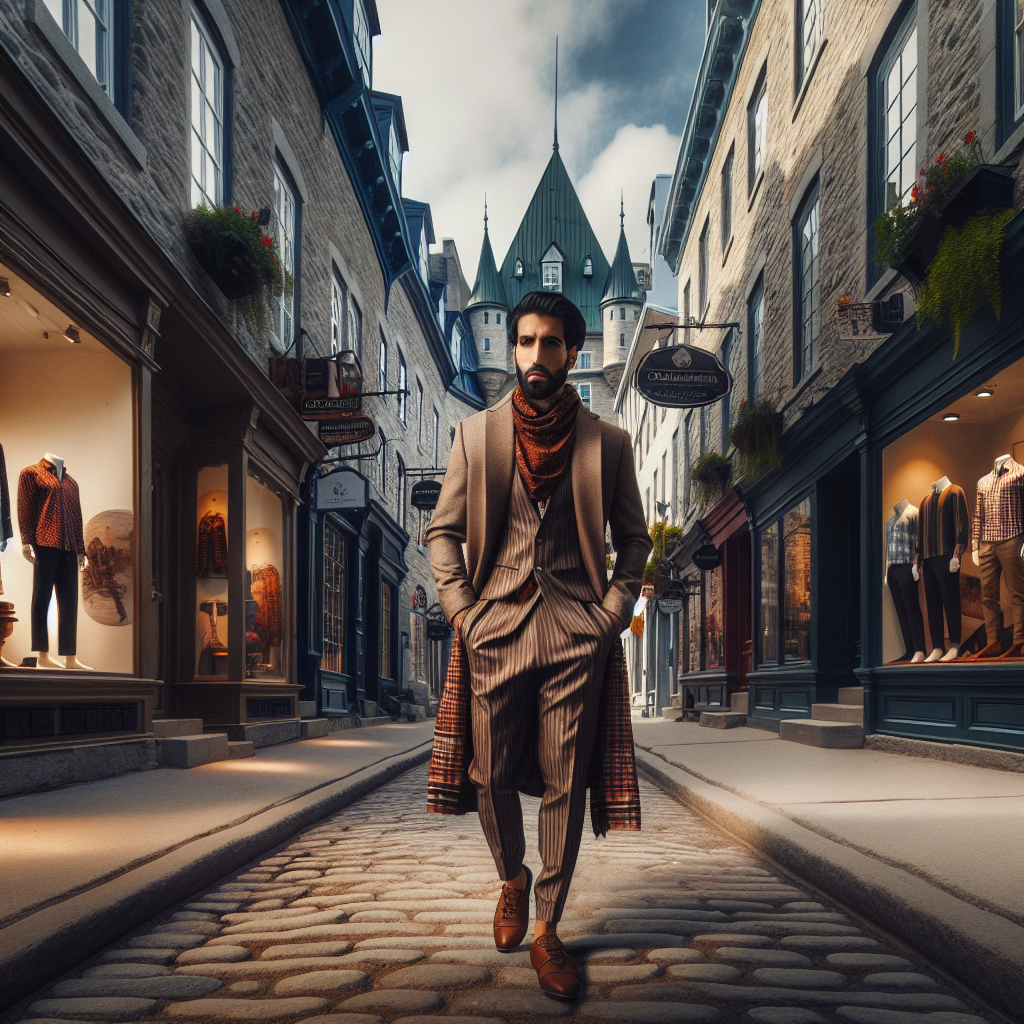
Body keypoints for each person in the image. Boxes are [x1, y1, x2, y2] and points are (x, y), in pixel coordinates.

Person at [425, 290, 652, 998]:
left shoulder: (607, 443)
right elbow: (442, 533)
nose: (533, 355)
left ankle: (549, 928)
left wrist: (611, 612)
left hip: (574, 633)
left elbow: (634, 540)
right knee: (488, 777)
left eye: (549, 343)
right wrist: (463, 610)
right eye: (523, 341)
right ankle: (512, 877)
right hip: (494, 629)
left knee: (564, 783)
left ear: (572, 355)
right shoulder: (475, 435)